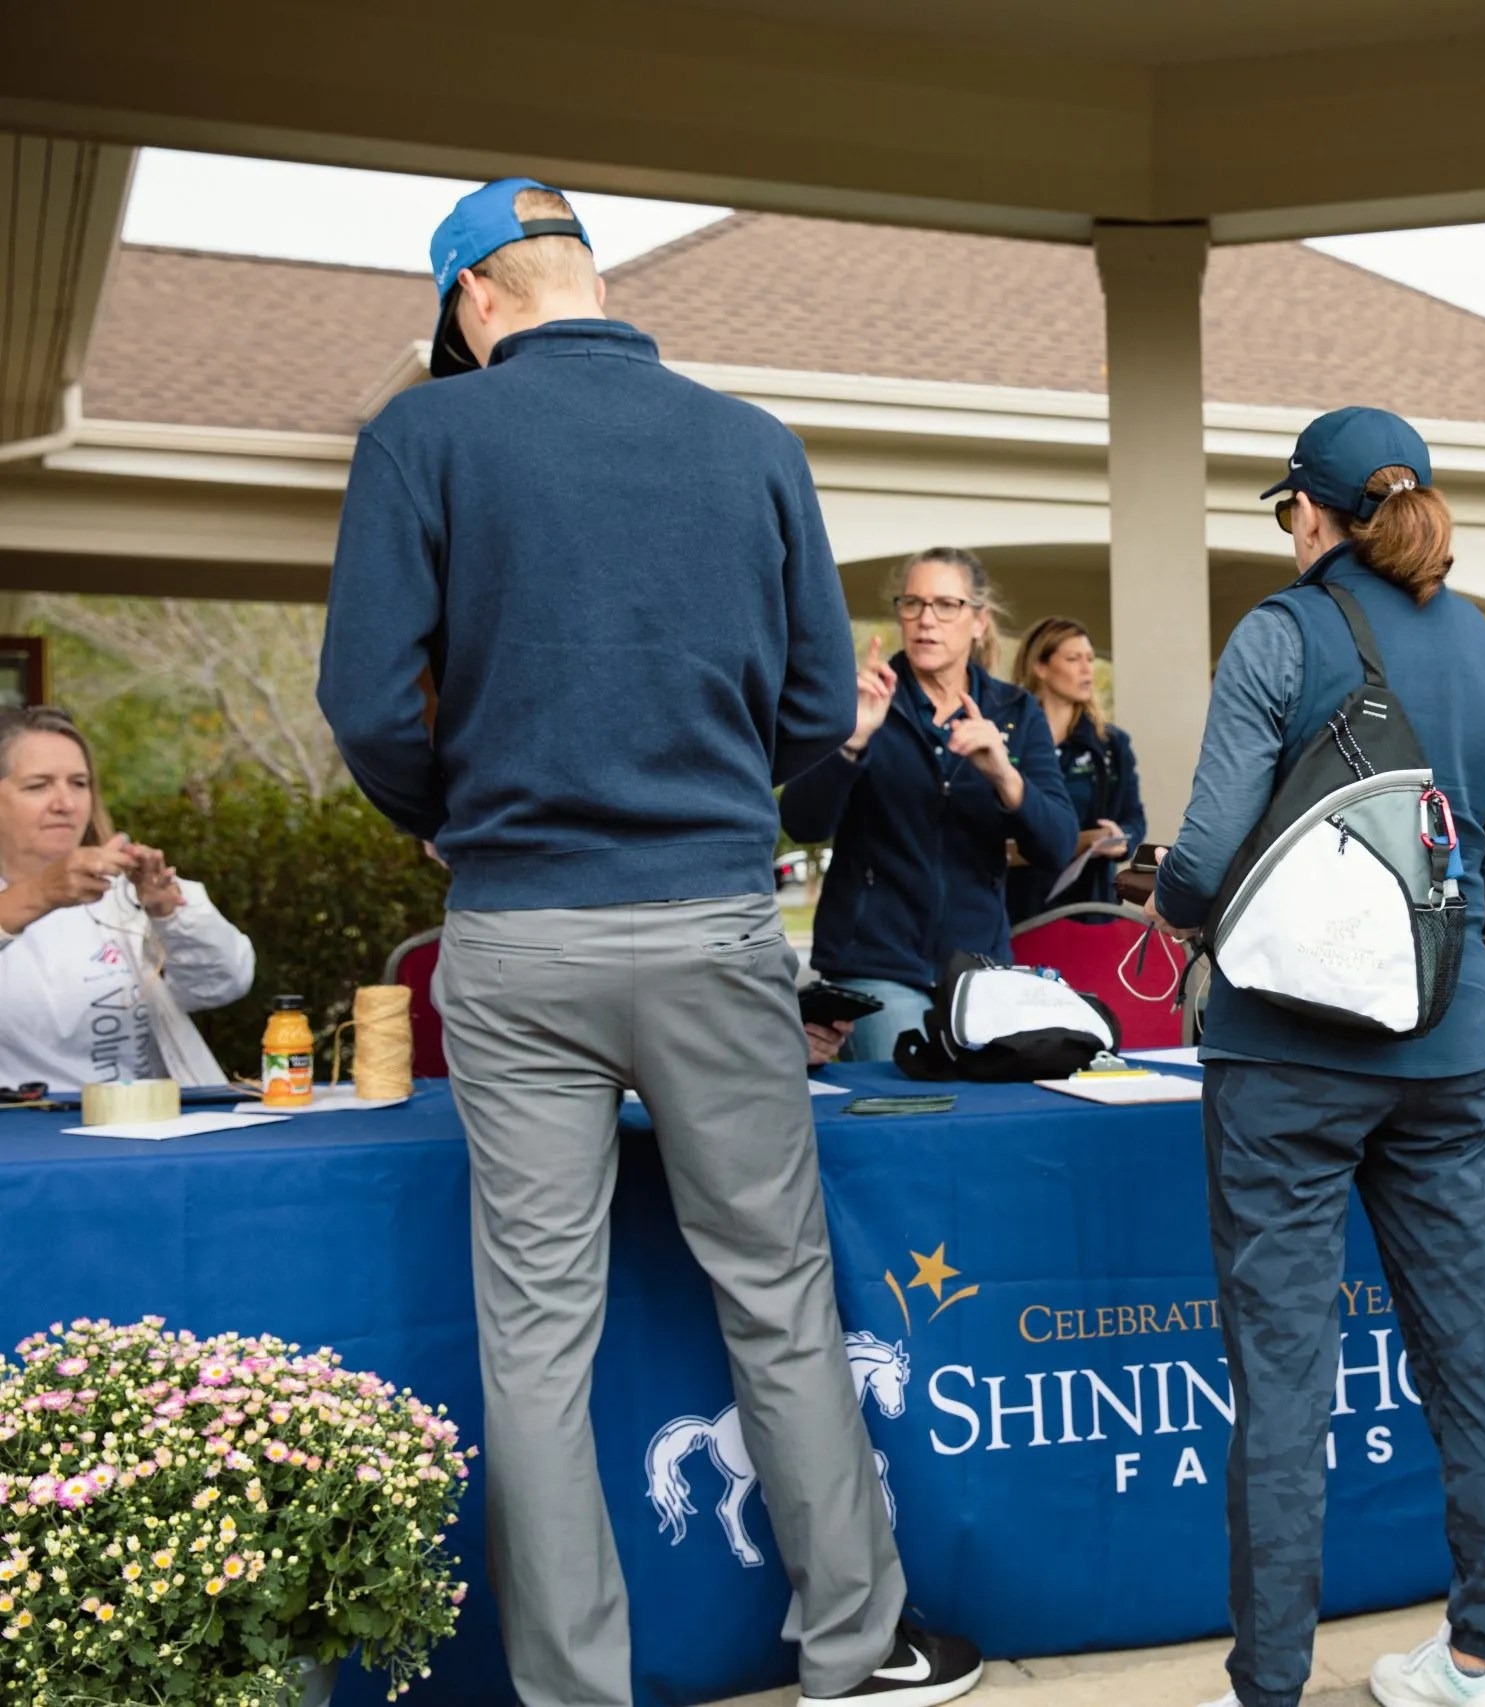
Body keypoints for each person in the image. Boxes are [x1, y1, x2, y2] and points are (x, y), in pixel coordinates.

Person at [315, 178, 979, 1707]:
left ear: (476, 299)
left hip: (516, 927)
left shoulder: (427, 434)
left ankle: (574, 1690)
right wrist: (716, 791)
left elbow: (363, 700)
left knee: (538, 1333)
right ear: (584, 281)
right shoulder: (751, 443)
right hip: (709, 917)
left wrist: (446, 812)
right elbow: (821, 716)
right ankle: (856, 1648)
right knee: (779, 1290)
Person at [1148, 407, 1485, 1707]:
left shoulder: (1281, 632)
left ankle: (1269, 1684)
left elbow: (1203, 859)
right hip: (1446, 1056)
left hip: (1283, 1062)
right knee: (1471, 1344)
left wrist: (1182, 917)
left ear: (1312, 514)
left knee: (1283, 1372)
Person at [780, 548, 1075, 1061]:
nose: (925, 621)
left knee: (980, 1118)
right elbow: (802, 823)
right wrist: (852, 741)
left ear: (979, 622)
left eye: (945, 605)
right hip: (876, 963)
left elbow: (1057, 843)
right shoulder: (865, 700)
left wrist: (1005, 775)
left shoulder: (1014, 711)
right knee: (906, 1102)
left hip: (977, 969)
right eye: (912, 604)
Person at [0, 705, 253, 1089]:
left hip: (139, 1128)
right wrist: (41, 893)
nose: (65, 804)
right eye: (38, 785)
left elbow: (223, 985)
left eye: (79, 783)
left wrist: (168, 912)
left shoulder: (121, 891)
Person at [1005, 615, 1145, 921]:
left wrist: (1121, 838)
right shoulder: (1005, 739)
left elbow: (1134, 820)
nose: (1087, 670)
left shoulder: (1110, 745)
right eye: (1073, 659)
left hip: (1088, 910)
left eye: (1090, 660)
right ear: (1040, 667)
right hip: (1015, 909)